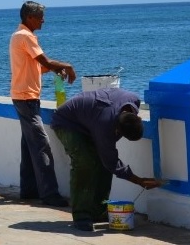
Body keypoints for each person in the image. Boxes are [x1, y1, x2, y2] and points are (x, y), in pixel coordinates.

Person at [51, 88, 163, 231]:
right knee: (85, 164)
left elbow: (108, 161)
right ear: (117, 129)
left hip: (90, 119)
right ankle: (81, 216)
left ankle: (98, 211)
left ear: (138, 117)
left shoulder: (134, 99)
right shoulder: (105, 125)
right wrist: (139, 180)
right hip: (67, 122)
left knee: (103, 164)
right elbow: (112, 162)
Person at [9, 0, 76, 206]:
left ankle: (29, 190)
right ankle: (50, 194)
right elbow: (45, 61)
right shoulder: (25, 36)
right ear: (29, 17)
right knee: (41, 145)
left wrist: (56, 69)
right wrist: (67, 65)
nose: (43, 21)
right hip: (26, 98)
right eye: (40, 17)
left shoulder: (19, 35)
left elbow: (37, 67)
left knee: (29, 146)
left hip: (23, 97)